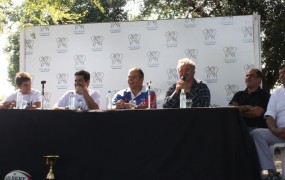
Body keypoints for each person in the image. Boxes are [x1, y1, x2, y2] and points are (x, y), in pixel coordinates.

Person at [251, 64, 285, 180]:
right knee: (257, 133)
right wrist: (274, 130)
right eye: (280, 73)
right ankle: (271, 171)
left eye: (284, 72)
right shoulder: (276, 93)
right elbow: (270, 114)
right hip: (280, 133)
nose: (282, 75)